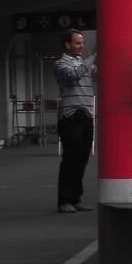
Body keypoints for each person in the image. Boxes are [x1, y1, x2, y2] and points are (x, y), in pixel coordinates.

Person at [54, 28, 96, 213]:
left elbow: (94, 71)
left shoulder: (82, 63)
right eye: (78, 43)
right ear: (67, 45)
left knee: (82, 159)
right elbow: (75, 74)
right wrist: (94, 56)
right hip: (70, 116)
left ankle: (75, 198)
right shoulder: (61, 64)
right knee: (70, 159)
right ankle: (64, 201)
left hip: (86, 113)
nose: (81, 46)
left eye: (82, 42)